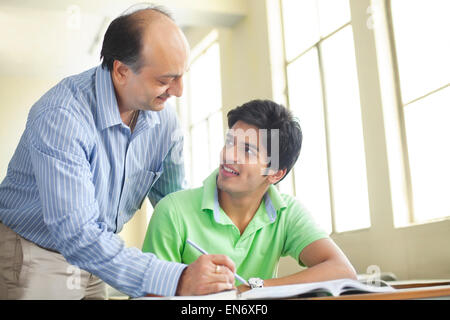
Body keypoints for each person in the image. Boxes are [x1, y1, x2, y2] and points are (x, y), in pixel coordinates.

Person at [0, 5, 235, 300]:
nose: (179, 91)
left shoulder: (164, 120)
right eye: (165, 80)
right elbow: (77, 234)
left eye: (181, 76)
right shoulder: (61, 116)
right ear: (122, 70)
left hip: (99, 251)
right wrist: (176, 279)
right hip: (37, 252)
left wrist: (213, 259)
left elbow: (173, 202)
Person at [142, 99, 357, 292]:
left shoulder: (286, 212)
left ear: (275, 173)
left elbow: (342, 271)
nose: (228, 155)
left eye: (247, 150)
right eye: (229, 142)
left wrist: (253, 288)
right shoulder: (172, 211)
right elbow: (148, 294)